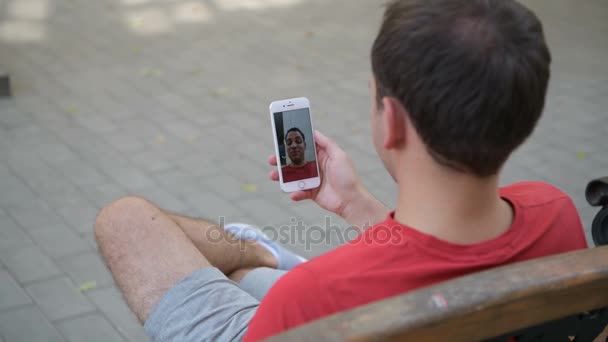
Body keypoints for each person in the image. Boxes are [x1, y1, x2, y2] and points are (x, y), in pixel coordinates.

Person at [94, 0, 589, 341]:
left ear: (389, 121)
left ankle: (254, 254)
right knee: (240, 261)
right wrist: (357, 206)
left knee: (126, 219)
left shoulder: (312, 297)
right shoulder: (554, 211)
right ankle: (254, 255)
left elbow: (398, 275)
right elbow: (438, 262)